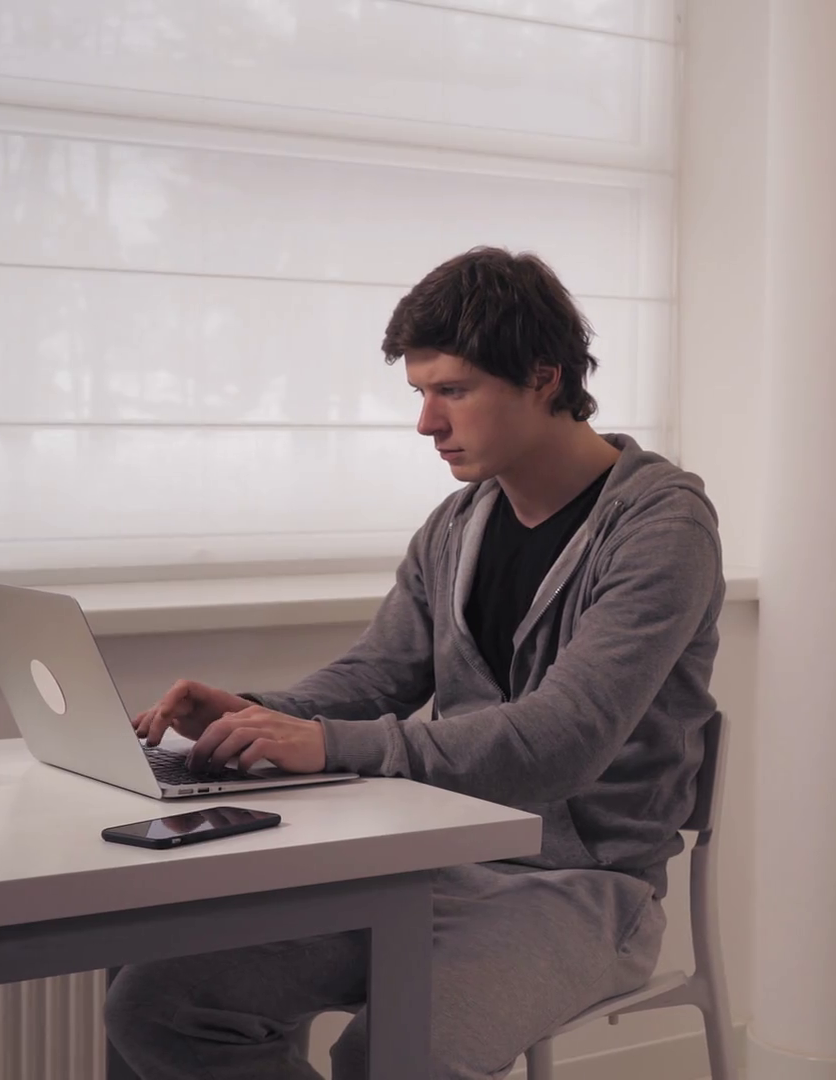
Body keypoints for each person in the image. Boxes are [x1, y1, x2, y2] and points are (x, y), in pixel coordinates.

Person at [105, 247, 725, 1080]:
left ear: (543, 377)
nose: (426, 423)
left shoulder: (661, 526)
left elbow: (564, 740)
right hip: (422, 859)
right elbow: (376, 678)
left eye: (453, 391)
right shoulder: (457, 523)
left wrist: (329, 744)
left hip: (584, 889)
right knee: (158, 1003)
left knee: (397, 1055)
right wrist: (253, 715)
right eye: (419, 393)